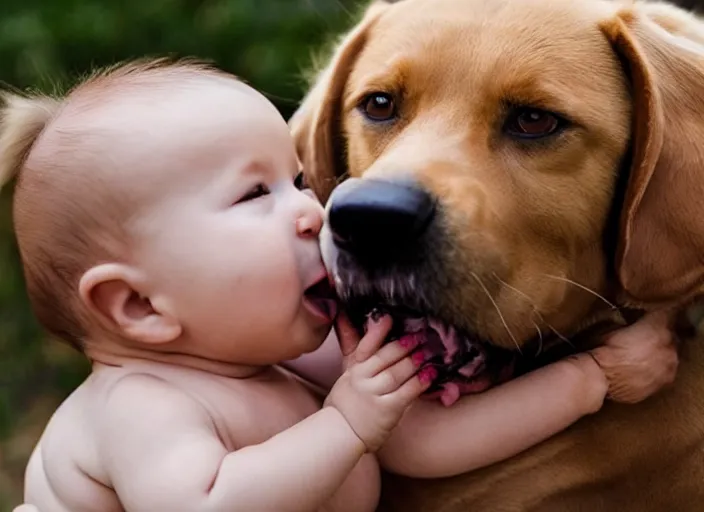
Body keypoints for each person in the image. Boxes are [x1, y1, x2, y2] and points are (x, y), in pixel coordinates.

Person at [1, 58, 676, 512]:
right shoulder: (141, 407)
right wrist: (347, 421)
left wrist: (591, 378)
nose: (313, 207)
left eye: (296, 181)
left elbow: (417, 439)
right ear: (139, 306)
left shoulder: (284, 361)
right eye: (252, 196)